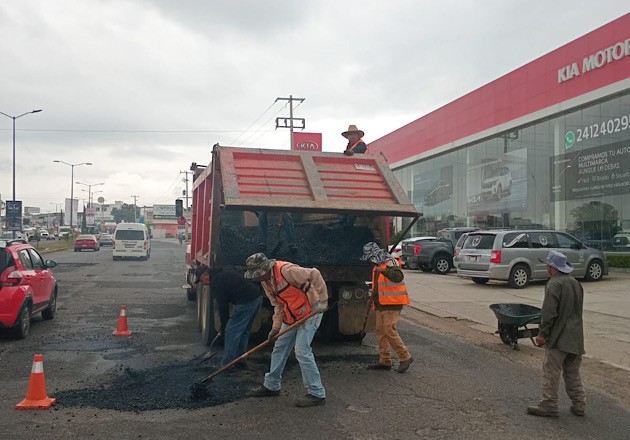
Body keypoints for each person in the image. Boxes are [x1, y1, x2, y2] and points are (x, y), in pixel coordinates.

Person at [243, 252, 328, 407]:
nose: (257, 278)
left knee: (302, 350)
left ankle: (316, 393)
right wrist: (275, 329)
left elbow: (315, 274)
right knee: (279, 347)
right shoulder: (266, 281)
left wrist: (323, 300)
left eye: (258, 274)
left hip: (311, 309)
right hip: (292, 314)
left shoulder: (287, 271)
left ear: (265, 269)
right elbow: (278, 305)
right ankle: (272, 385)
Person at [527, 250, 586, 418]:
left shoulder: (554, 284)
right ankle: (579, 404)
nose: (547, 267)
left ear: (552, 267)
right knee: (573, 373)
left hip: (559, 337)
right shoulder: (575, 283)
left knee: (551, 371)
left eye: (548, 264)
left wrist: (542, 333)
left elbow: (549, 313)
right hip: (576, 337)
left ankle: (549, 405)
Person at [195, 265, 263, 368]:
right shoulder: (224, 270)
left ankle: (227, 364)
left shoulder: (216, 282)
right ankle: (240, 360)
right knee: (243, 331)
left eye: (202, 280)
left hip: (246, 301)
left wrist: (223, 329)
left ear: (206, 275)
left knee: (232, 331)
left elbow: (223, 307)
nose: (203, 284)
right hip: (257, 297)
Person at [360, 242, 413, 373]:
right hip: (381, 304)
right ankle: (385, 361)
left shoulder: (390, 261)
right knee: (380, 332)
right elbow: (379, 285)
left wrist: (383, 271)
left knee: (389, 330)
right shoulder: (378, 265)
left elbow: (398, 277)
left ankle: (405, 356)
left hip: (392, 303)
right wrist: (371, 298)